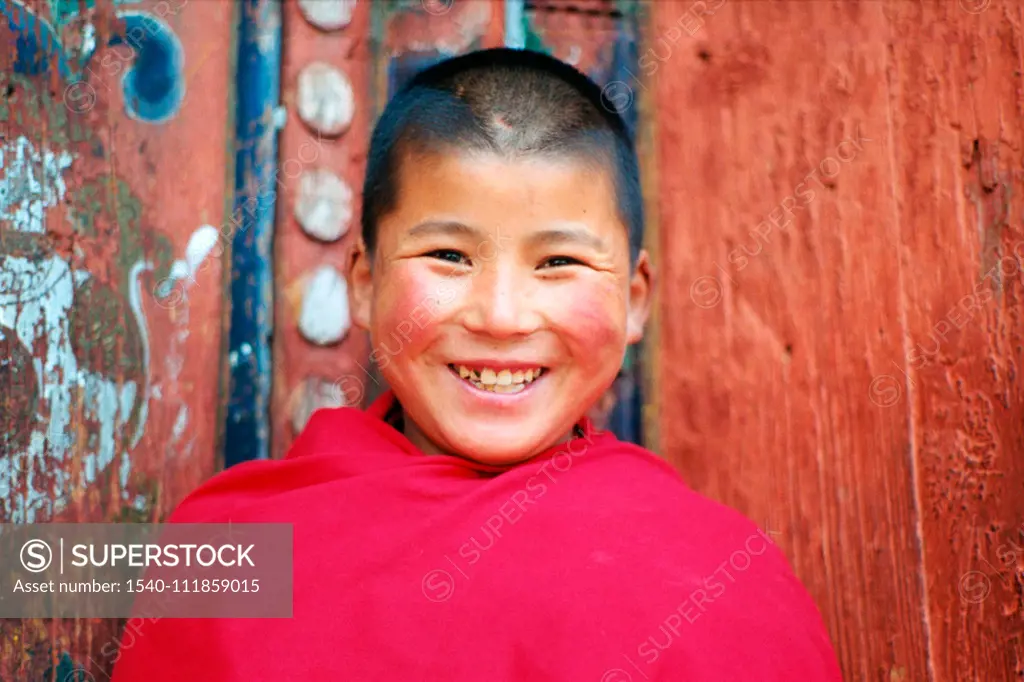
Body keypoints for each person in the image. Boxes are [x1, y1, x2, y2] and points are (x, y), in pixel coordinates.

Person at [111, 48, 843, 681]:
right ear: (363, 281)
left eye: (558, 262)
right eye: (448, 257)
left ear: (635, 299)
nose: (500, 316)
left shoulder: (717, 581)